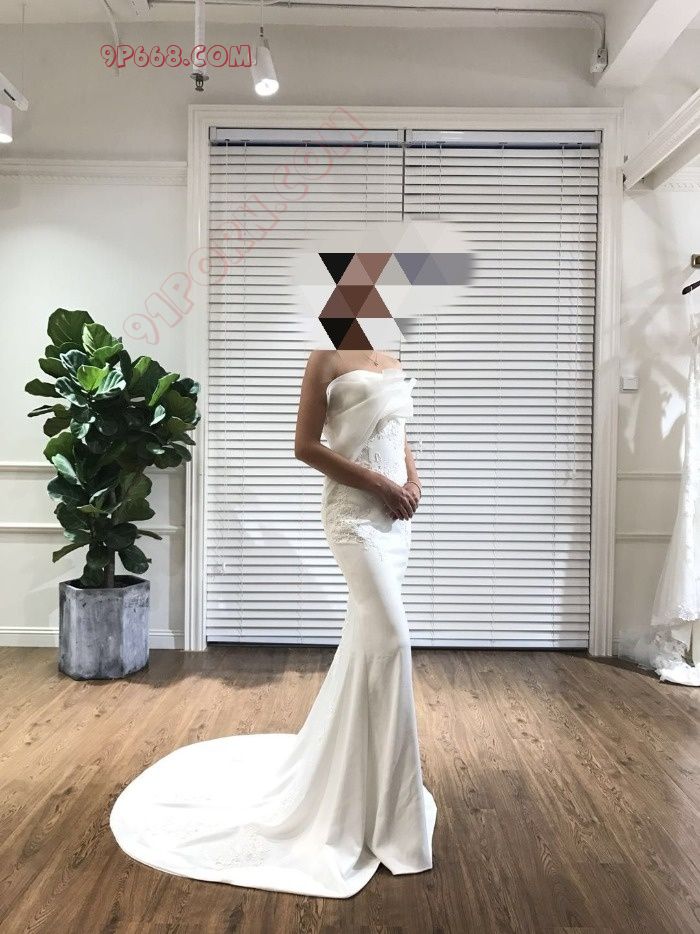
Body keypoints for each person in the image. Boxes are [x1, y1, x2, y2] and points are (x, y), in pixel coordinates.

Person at [109, 347, 437, 899]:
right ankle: (388, 819)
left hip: (395, 520)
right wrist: (379, 485)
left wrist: (412, 479)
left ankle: (367, 794)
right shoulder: (325, 358)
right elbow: (305, 447)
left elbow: (396, 430)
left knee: (367, 644)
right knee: (393, 643)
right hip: (354, 517)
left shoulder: (391, 355)